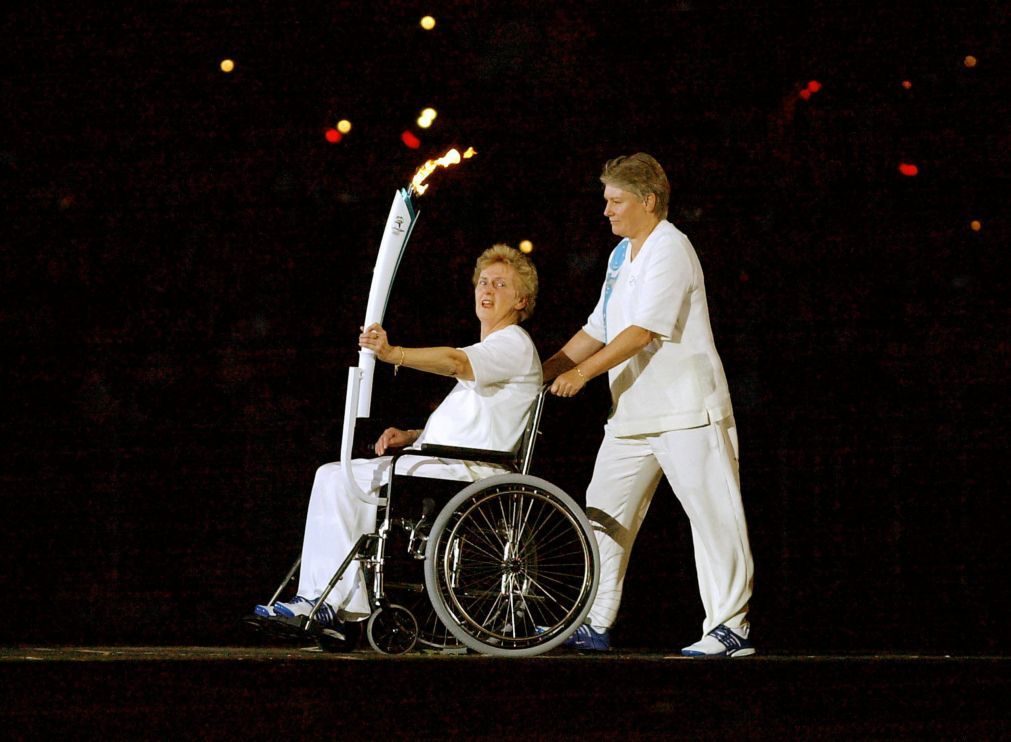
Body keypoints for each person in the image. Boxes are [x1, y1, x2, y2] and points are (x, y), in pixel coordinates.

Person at [255, 244, 542, 630]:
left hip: (464, 474)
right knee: (339, 476)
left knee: (337, 476)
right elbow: (475, 420)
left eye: (501, 284)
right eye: (484, 281)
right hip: (440, 461)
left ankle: (329, 601)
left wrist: (394, 354)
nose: (487, 289)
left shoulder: (512, 344)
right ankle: (329, 599)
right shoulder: (493, 349)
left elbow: (455, 362)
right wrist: (412, 434)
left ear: (521, 299)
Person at [542, 153, 755, 657]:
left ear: (649, 201)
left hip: (687, 412)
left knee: (713, 518)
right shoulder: (622, 255)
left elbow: (642, 331)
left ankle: (730, 628)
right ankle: (595, 621)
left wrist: (580, 375)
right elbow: (599, 327)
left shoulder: (671, 248)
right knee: (603, 515)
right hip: (632, 415)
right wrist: (543, 370)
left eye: (616, 201)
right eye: (606, 201)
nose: (607, 211)